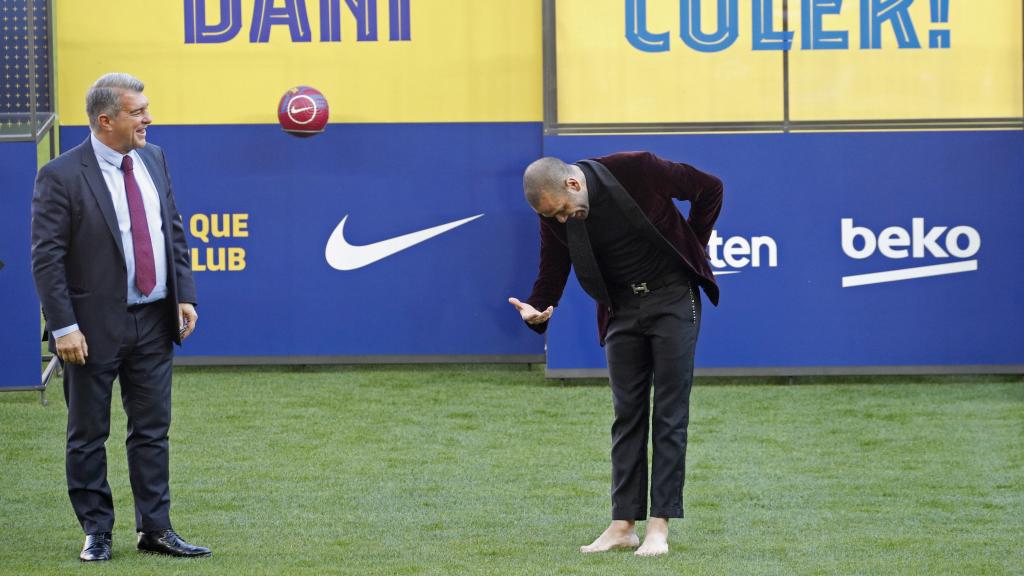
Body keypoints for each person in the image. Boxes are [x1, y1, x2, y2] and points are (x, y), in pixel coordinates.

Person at [31, 73, 210, 561]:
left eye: (146, 109)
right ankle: (97, 531)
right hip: (89, 329)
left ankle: (155, 528)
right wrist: (64, 326)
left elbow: (171, 228)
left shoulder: (153, 158)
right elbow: (46, 258)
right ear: (105, 120)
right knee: (88, 433)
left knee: (152, 429)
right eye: (138, 112)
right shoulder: (62, 175)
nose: (148, 119)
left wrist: (183, 295)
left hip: (153, 320)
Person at [508, 152, 722, 556]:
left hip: (673, 299)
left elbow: (710, 188)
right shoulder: (554, 213)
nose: (560, 221)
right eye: (552, 216)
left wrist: (693, 243)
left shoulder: (637, 169)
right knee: (627, 416)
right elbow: (552, 266)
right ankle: (623, 525)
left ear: (573, 184)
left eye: (563, 212)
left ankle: (659, 528)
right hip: (620, 309)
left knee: (669, 413)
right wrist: (538, 307)